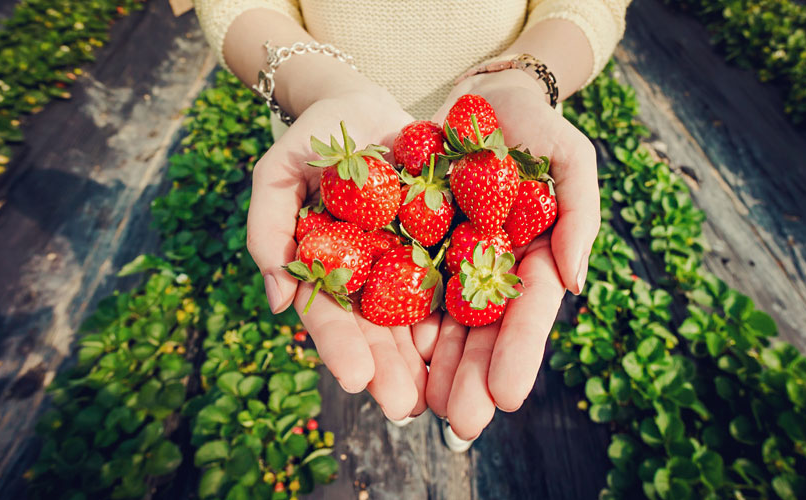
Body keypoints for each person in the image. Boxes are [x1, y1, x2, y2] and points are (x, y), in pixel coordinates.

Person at [194, 0, 628, 451]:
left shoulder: (486, 178)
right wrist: (322, 88)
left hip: (498, 130)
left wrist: (520, 78)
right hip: (343, 145)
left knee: (468, 383)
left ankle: (448, 420)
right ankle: (407, 407)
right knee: (389, 376)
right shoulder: (366, 186)